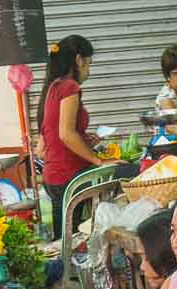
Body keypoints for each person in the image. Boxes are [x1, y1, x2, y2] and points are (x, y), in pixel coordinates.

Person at [37, 35, 123, 238]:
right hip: (67, 176)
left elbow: (55, 137)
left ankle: (65, 268)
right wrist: (98, 161)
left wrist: (84, 139)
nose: (88, 71)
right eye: (89, 64)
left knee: (66, 238)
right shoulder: (69, 87)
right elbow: (66, 134)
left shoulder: (53, 87)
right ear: (78, 60)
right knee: (69, 241)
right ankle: (67, 269)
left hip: (56, 176)